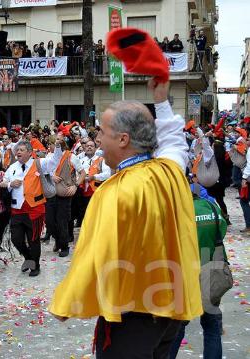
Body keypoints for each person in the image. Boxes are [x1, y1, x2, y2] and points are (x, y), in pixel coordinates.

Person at [49, 80, 203, 358]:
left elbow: (98, 252)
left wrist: (67, 301)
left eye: (102, 133)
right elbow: (174, 142)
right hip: (172, 311)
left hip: (134, 313)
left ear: (123, 139)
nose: (98, 140)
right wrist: (161, 99)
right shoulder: (170, 170)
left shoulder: (114, 192)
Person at [169, 185, 227, 359]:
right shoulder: (211, 207)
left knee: (177, 327)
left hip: (185, 273)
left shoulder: (177, 212)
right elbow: (221, 231)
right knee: (212, 326)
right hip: (212, 270)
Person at [1, 139, 63, 277]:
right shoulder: (13, 167)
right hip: (17, 209)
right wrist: (11, 183)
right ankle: (28, 258)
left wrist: (58, 146)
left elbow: (54, 161)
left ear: (29, 152)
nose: (18, 152)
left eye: (21, 150)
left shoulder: (39, 163)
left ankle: (35, 265)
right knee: (16, 239)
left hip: (35, 208)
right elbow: (3, 183)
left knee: (33, 239)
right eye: (17, 150)